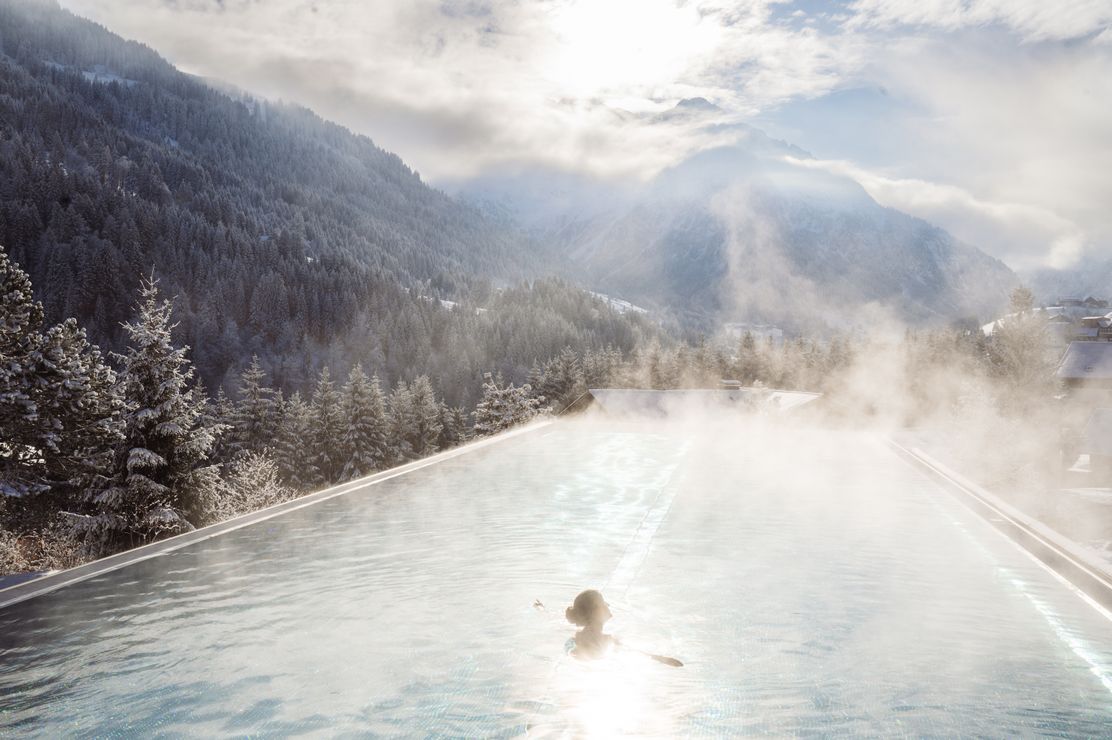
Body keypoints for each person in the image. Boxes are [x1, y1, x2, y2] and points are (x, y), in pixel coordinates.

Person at [565, 589, 616, 659]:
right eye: (604, 603)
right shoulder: (610, 644)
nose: (608, 606)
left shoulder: (572, 643)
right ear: (596, 611)